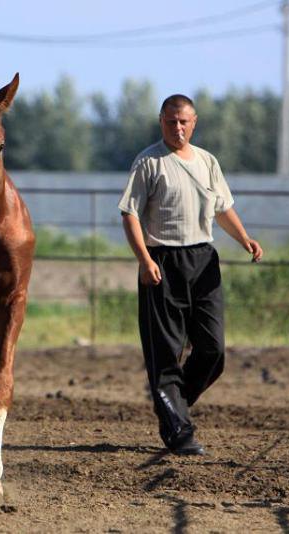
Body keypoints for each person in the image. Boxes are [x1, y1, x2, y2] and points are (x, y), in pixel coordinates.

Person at [118, 94, 263, 455]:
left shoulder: (208, 162)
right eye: (171, 122)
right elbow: (130, 214)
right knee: (165, 352)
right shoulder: (148, 162)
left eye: (183, 122)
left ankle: (172, 402)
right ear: (161, 122)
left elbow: (223, 208)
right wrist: (144, 259)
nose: (177, 128)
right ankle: (179, 431)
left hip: (203, 260)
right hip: (162, 262)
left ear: (194, 122)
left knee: (213, 350)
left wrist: (243, 238)